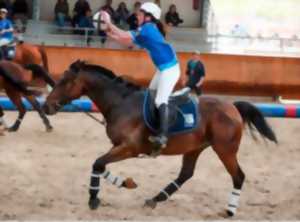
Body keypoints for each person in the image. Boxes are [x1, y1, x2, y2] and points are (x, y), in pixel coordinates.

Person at [101, 2, 180, 153]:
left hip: (170, 70)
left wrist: (110, 24)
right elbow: (128, 41)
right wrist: (112, 35)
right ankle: (150, 127)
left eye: (140, 13)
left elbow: (126, 35)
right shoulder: (145, 29)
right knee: (149, 96)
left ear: (148, 17)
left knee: (159, 100)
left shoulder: (147, 30)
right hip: (163, 69)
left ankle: (163, 136)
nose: (137, 15)